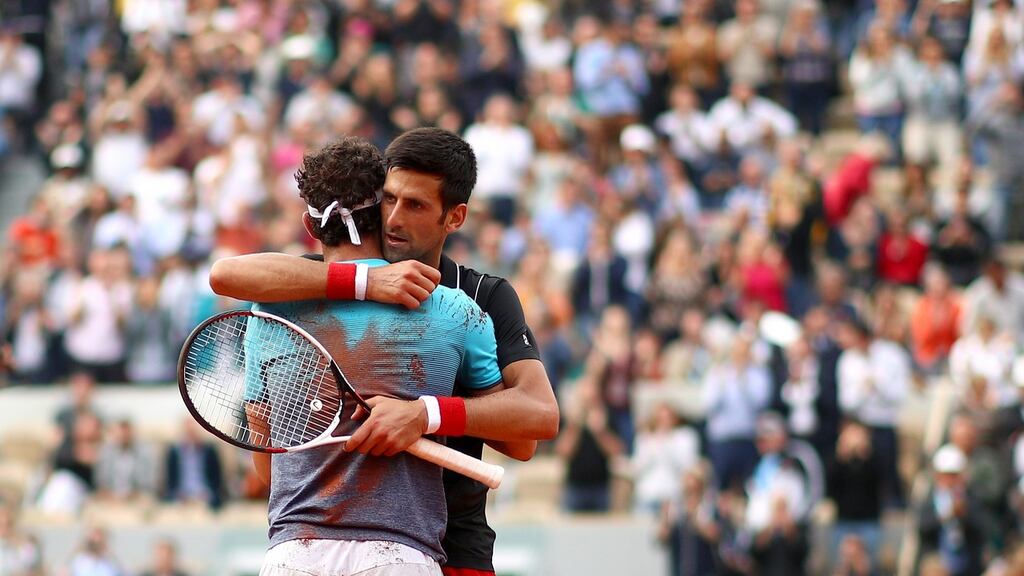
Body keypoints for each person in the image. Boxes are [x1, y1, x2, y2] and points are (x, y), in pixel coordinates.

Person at [209, 128, 559, 576]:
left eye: (414, 205)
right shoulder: (305, 285)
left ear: (455, 217)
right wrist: (367, 283)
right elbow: (225, 274)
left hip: (455, 545)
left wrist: (424, 414)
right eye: (388, 200)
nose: (393, 218)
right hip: (383, 547)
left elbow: (530, 428)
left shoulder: (480, 296)